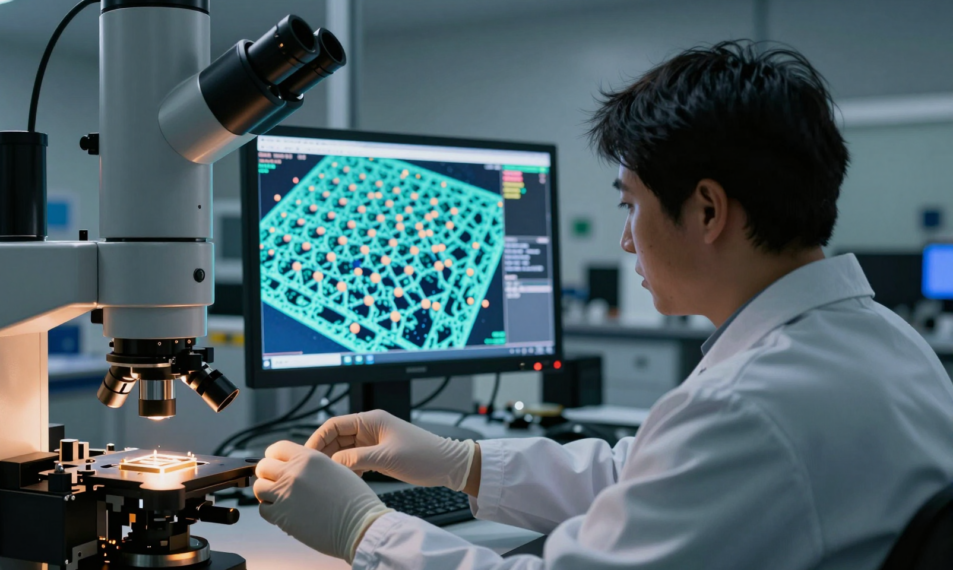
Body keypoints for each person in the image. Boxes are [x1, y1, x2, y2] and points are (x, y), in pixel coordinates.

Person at [252, 41, 953, 569]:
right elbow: (648, 476)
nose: (625, 240)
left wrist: (365, 531)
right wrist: (461, 462)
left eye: (632, 206)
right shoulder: (884, 343)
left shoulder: (750, 408)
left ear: (707, 210)